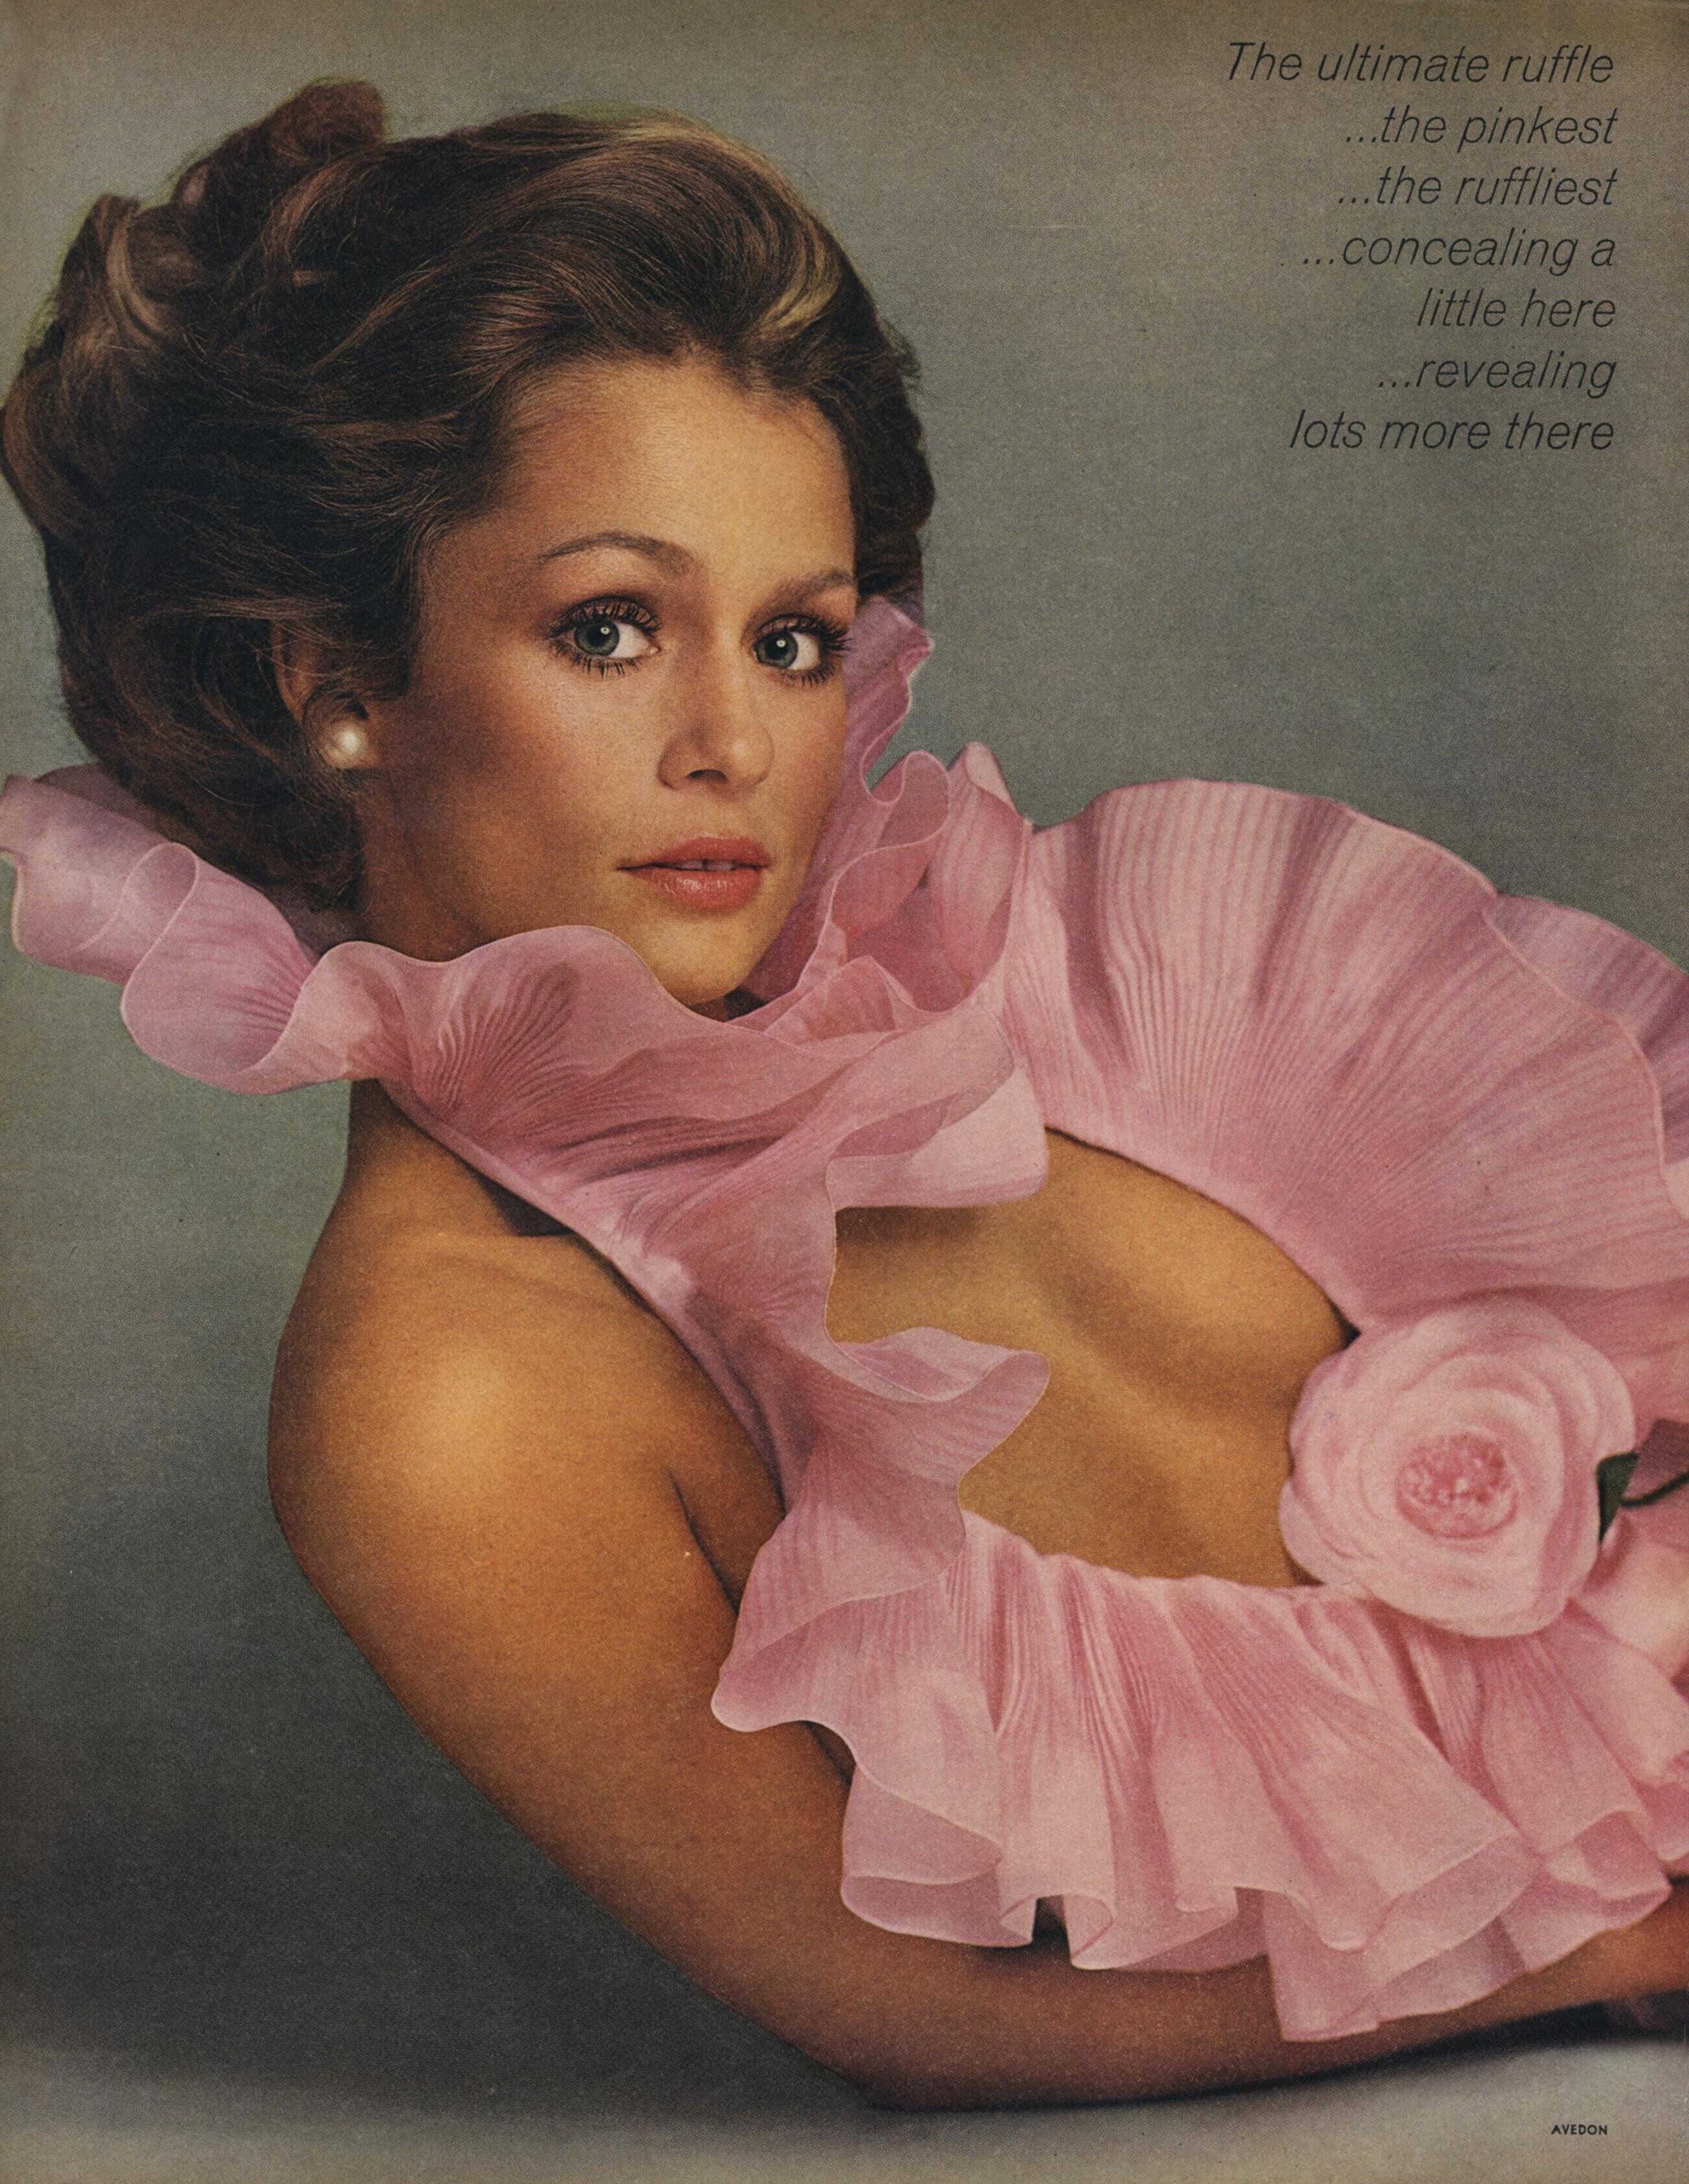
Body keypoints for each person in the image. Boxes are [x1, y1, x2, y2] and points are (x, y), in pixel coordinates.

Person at [2, 81, 1686, 2110]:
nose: (733, 739)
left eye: (796, 639)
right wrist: (1613, 1946)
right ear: (334, 682)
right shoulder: (443, 1392)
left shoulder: (1026, 977)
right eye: (609, 628)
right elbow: (912, 2012)